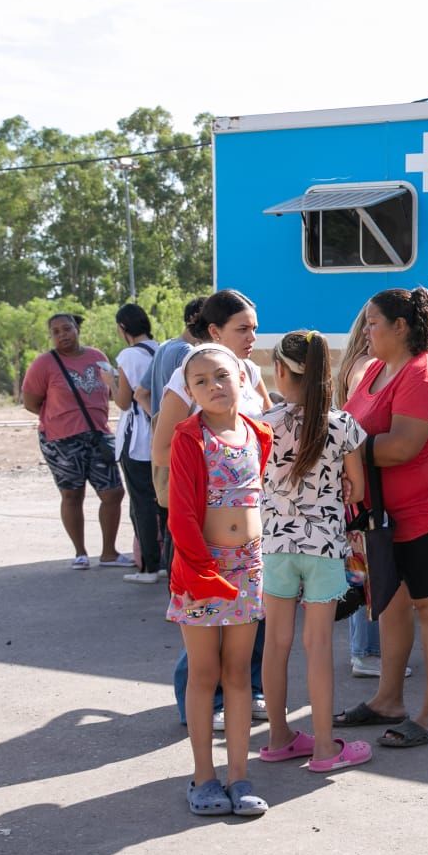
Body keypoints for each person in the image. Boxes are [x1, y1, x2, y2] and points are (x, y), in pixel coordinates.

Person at [334, 287, 428, 748]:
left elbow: (401, 446)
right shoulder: (377, 368)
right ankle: (388, 701)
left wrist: (342, 451)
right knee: (393, 604)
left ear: (401, 326)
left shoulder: (427, 371)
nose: (366, 331)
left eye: (374, 323)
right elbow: (349, 422)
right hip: (387, 515)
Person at [150, 290, 269, 730]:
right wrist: (211, 466)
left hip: (249, 533)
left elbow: (266, 432)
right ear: (215, 331)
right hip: (201, 528)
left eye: (255, 326)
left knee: (244, 628)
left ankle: (246, 692)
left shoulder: (250, 372)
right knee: (201, 637)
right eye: (243, 328)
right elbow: (163, 449)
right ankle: (201, 704)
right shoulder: (189, 380)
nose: (253, 335)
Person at [165, 343, 273, 817]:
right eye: (201, 381)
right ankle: (204, 778)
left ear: (243, 380)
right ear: (189, 391)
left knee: (238, 676)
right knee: (204, 674)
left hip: (247, 570)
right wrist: (202, 573)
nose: (213, 386)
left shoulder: (258, 433)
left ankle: (239, 777)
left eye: (221, 376)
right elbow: (182, 515)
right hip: (200, 571)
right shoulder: (189, 438)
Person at [257, 331, 373, 773]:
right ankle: (325, 747)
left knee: (277, 643)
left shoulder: (263, 423)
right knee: (319, 644)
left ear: (280, 371)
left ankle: (279, 737)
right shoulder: (342, 424)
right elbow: (357, 489)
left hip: (274, 545)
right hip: (323, 545)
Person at [20, 311, 129, 569]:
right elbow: (30, 402)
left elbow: (112, 389)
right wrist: (62, 416)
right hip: (61, 440)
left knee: (113, 492)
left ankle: (109, 553)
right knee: (72, 494)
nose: (62, 335)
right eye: (55, 332)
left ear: (76, 330)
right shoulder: (44, 364)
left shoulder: (96, 357)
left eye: (66, 329)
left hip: (98, 435)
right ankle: (80, 553)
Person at [335, 306, 384, 678]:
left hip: (355, 481)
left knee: (361, 562)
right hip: (365, 482)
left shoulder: (355, 362)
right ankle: (365, 651)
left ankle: (366, 649)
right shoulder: (369, 367)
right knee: (367, 565)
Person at [147, 297, 206, 575]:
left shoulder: (164, 347)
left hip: (167, 441)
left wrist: (159, 425)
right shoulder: (189, 354)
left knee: (172, 522)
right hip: (183, 450)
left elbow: (141, 393)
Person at [112, 304, 160, 584]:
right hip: (159, 432)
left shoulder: (128, 355)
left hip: (136, 437)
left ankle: (148, 566)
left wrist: (110, 381)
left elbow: (123, 400)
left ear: (123, 328)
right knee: (162, 502)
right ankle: (166, 562)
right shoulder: (160, 348)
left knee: (141, 502)